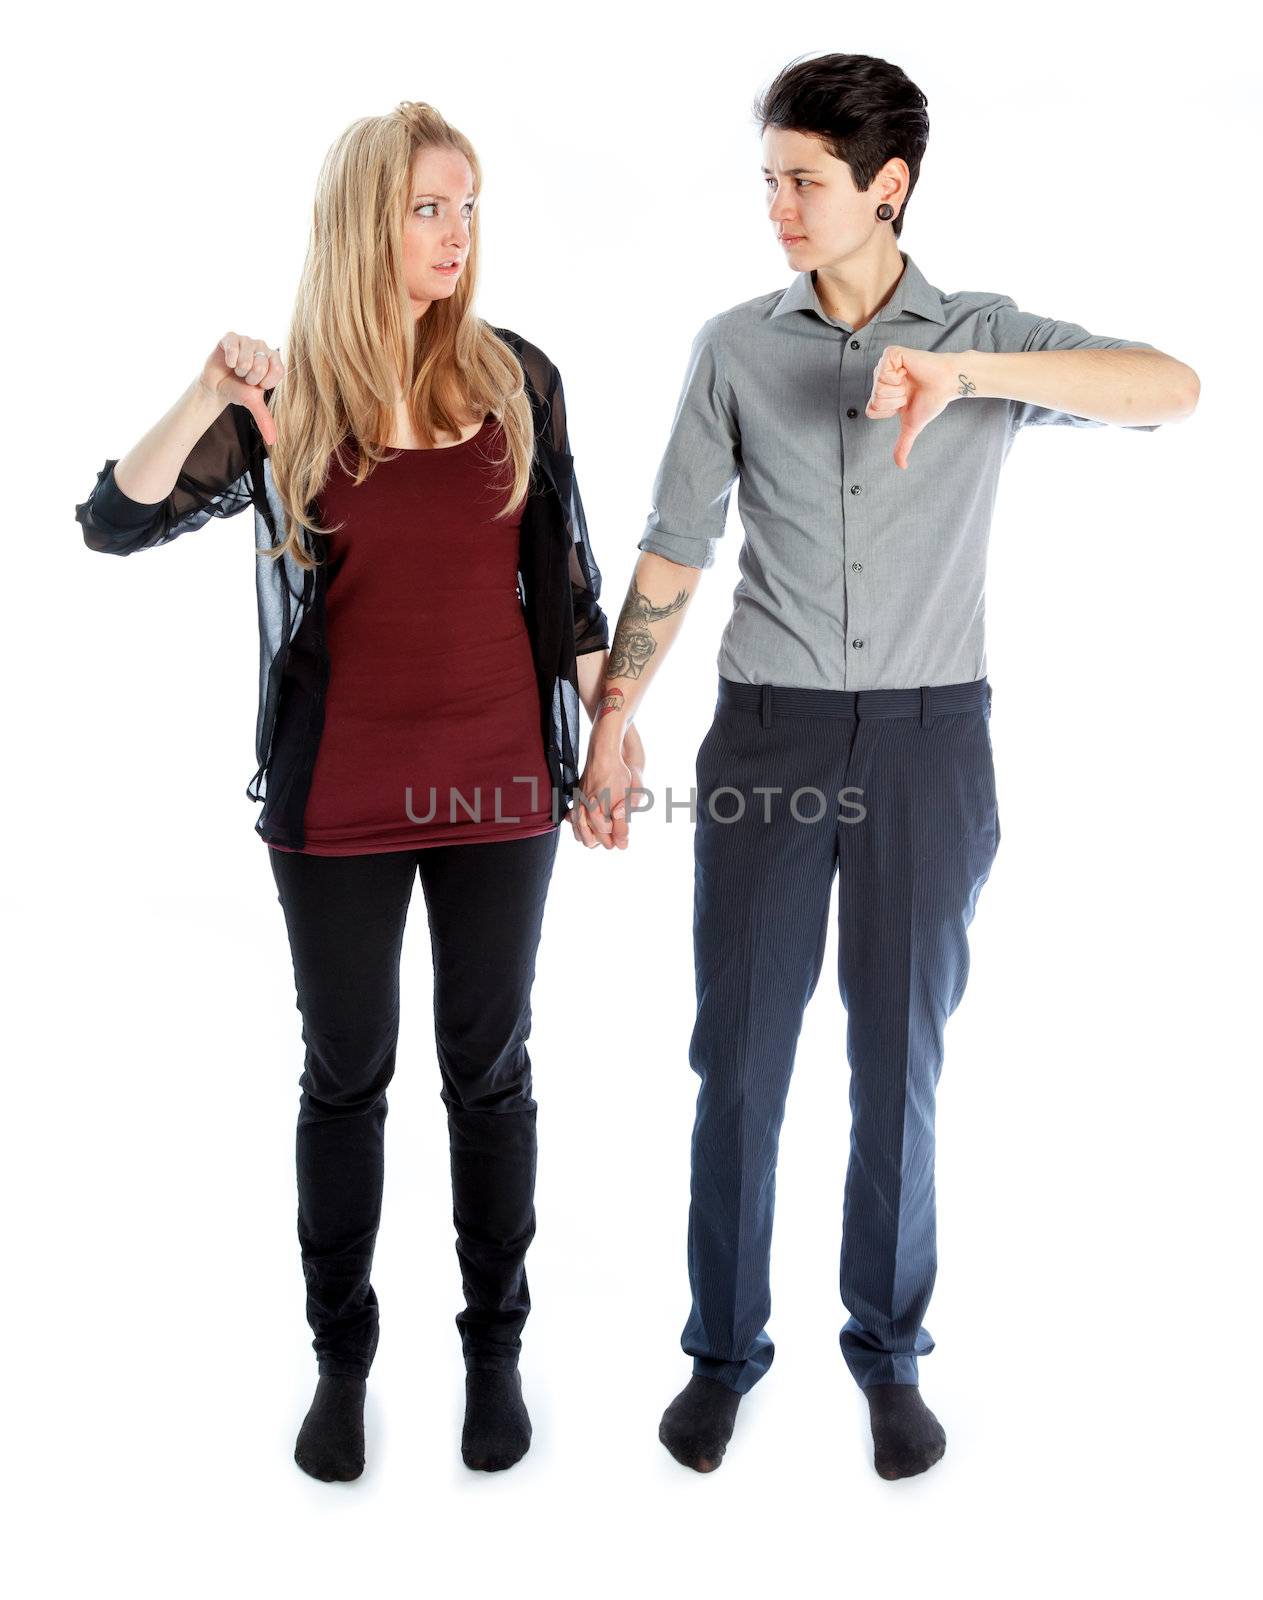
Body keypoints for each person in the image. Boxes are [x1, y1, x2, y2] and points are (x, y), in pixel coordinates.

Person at [572, 51, 1198, 1479]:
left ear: (887, 186)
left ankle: (890, 1352)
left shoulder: (983, 333)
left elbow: (1174, 390)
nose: (778, 207)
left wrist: (969, 373)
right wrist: (612, 713)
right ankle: (721, 1354)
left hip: (931, 741)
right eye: (770, 179)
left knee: (896, 1061)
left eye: (805, 181)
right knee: (736, 1060)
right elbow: (677, 540)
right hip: (772, 735)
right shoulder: (735, 345)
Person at [73, 100, 637, 1483]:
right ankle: (343, 1362)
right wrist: (209, 392)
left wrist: (611, 726)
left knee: (489, 1072)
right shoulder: (293, 406)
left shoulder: (519, 379)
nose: (456, 236)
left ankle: (495, 1350)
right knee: (347, 1077)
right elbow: (114, 519)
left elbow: (566, 586)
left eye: (469, 207)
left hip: (502, 788)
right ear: (362, 223)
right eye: (427, 209)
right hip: (338, 801)